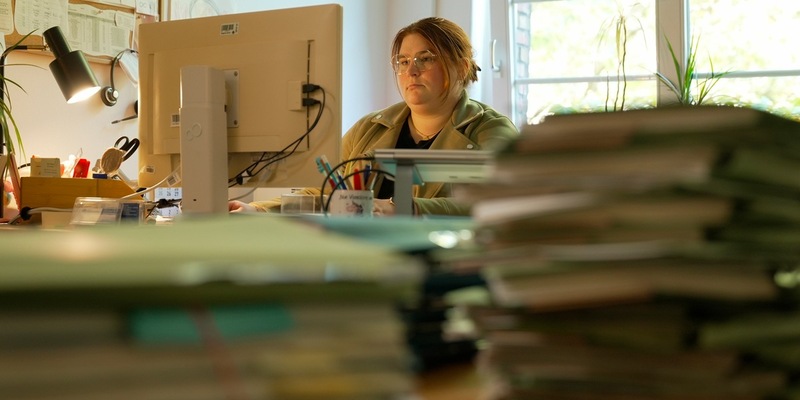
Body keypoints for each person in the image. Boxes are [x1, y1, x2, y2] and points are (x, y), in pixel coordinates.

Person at [229, 16, 518, 216]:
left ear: (462, 66)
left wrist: (407, 209)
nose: (411, 70)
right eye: (403, 61)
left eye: (426, 59)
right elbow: (328, 192)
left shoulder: (490, 131)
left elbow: (501, 203)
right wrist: (257, 209)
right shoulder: (370, 128)